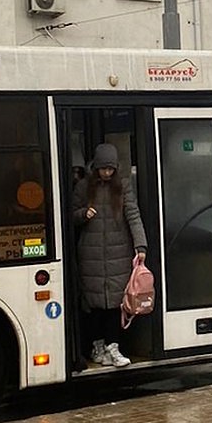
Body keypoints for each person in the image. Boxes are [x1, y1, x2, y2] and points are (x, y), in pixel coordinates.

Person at [72, 143, 147, 368]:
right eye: (103, 169)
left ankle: (113, 348)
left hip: (119, 254)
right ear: (96, 167)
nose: (107, 173)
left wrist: (140, 246)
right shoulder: (84, 187)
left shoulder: (122, 187)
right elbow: (70, 215)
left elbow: (133, 215)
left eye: (110, 169)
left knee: (116, 305)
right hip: (91, 255)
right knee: (94, 305)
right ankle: (97, 348)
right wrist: (83, 214)